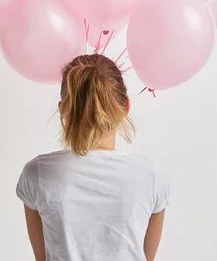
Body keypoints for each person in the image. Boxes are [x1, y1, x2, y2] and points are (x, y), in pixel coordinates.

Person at [16, 53, 169, 261]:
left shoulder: (37, 173)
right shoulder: (151, 174)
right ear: (125, 107)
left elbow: (42, 258)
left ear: (62, 110)